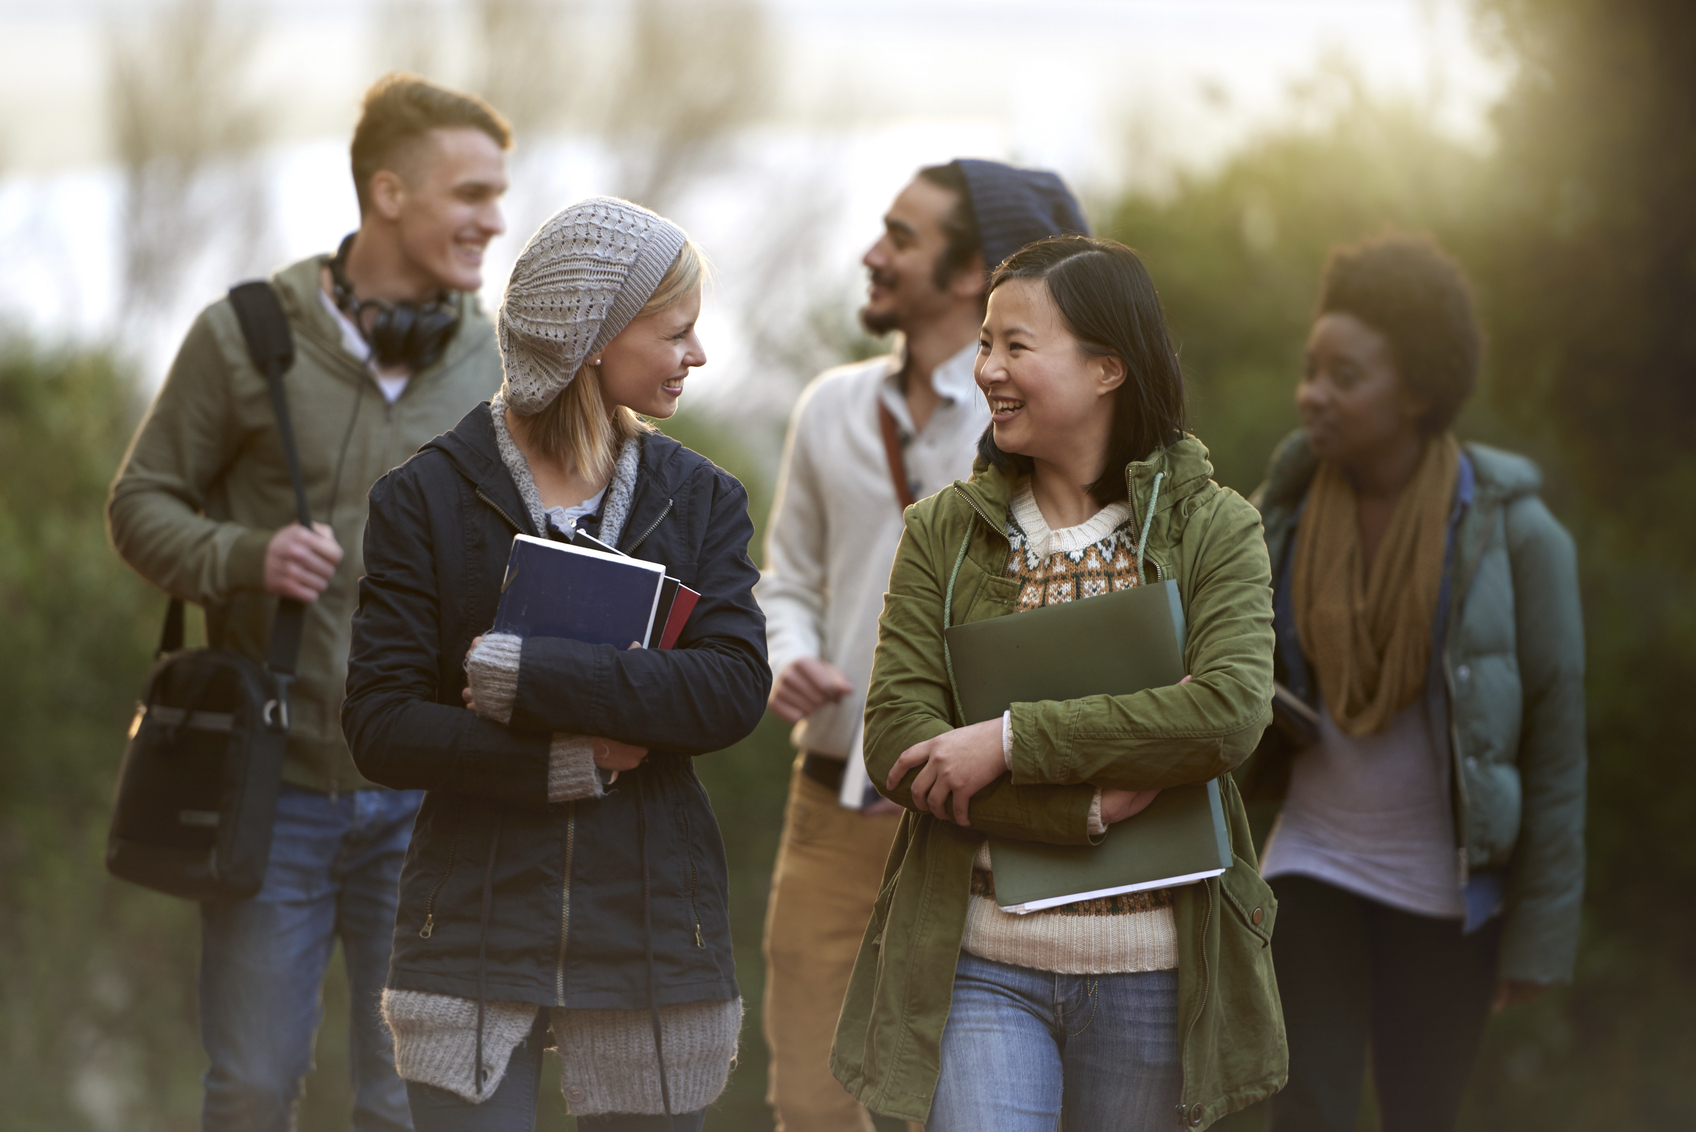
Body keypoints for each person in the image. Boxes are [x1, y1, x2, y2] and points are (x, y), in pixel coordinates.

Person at [107, 73, 511, 1132]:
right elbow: (139, 505)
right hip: (270, 787)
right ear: (388, 192)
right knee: (249, 1085)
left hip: (428, 793)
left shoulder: (498, 359)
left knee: (403, 1097)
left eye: (498, 194)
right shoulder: (245, 334)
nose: (494, 219)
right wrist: (244, 555)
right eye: (469, 192)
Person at [831, 236, 1287, 1130]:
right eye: (985, 343)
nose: (986, 369)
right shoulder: (942, 533)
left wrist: (1003, 742)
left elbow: (1228, 713)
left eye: (1015, 346)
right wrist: (1080, 810)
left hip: (1158, 977)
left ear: (1107, 369)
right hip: (977, 965)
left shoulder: (1216, 527)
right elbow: (897, 741)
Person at [341, 196, 770, 1132]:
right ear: (593, 339)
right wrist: (560, 762)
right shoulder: (423, 499)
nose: (698, 356)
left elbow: (732, 689)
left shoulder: (701, 501)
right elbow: (379, 723)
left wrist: (526, 675)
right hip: (469, 936)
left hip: (653, 939)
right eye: (678, 332)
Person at [756, 159, 1089, 1132]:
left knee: (966, 1108)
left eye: (900, 237)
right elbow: (787, 577)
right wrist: (789, 652)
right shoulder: (828, 407)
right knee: (811, 1105)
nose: (872, 254)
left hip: (981, 818)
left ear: (970, 270)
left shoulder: (1032, 423)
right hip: (828, 806)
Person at [1245, 234, 1586, 1132]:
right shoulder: (1280, 513)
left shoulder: (1521, 539)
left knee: (1419, 1113)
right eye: (1310, 369)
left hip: (1443, 894)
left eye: (1344, 377)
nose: (1313, 395)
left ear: (1418, 393)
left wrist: (1539, 933)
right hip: (1310, 859)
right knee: (1306, 1106)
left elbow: (1554, 745)